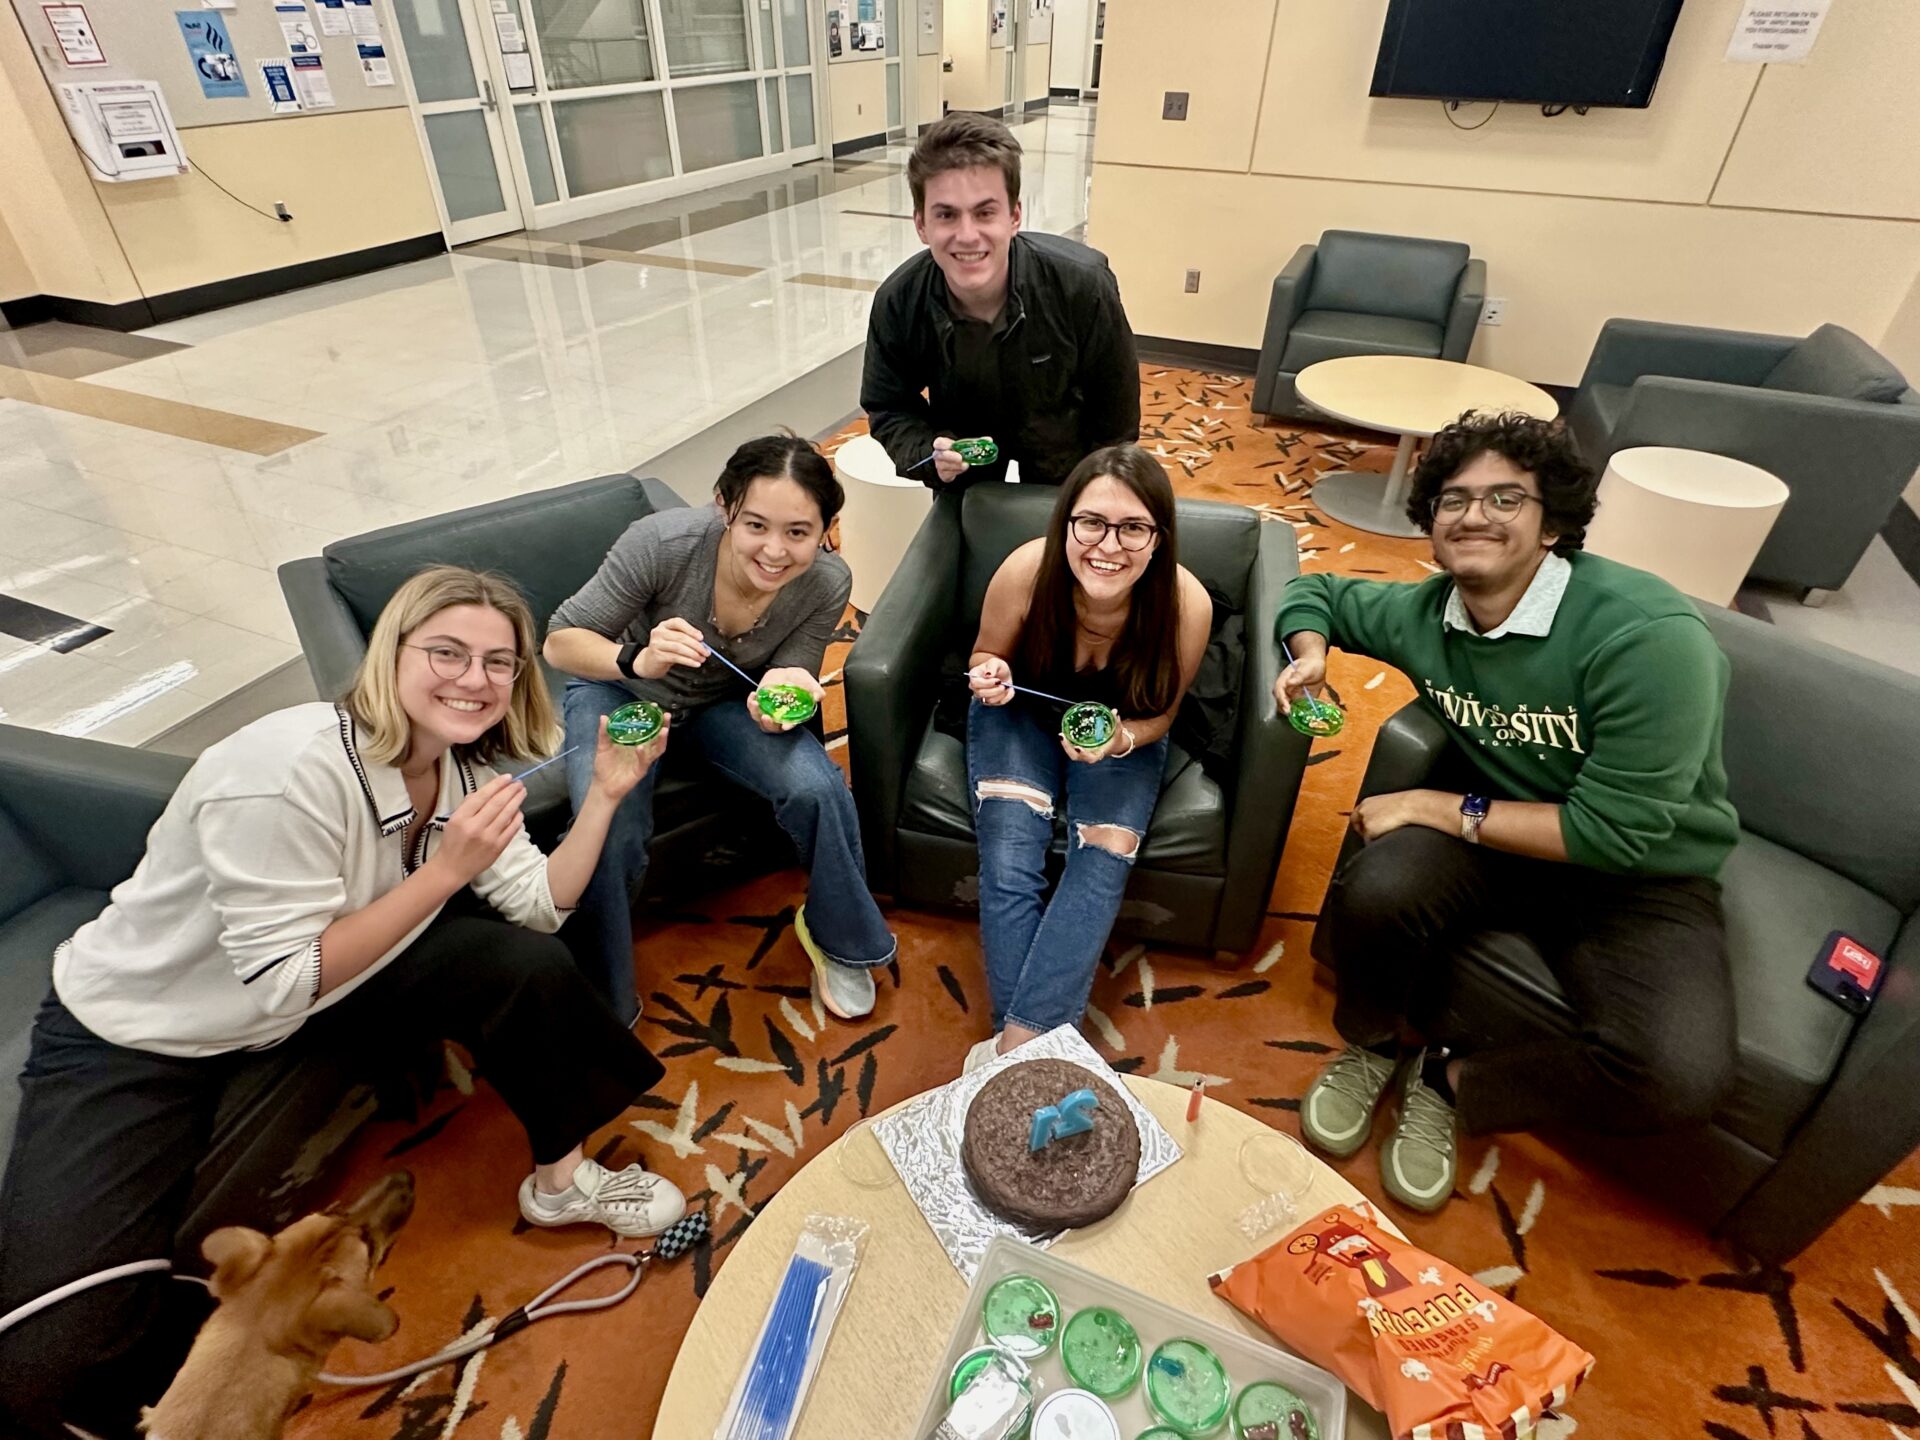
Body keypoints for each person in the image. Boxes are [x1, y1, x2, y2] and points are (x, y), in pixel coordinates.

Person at [0, 566, 682, 1440]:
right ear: (390, 655)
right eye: (447, 652)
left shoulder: (460, 767)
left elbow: (542, 903)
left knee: (525, 965)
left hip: (316, 994)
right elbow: (283, 977)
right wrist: (446, 873)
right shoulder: (285, 772)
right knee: (52, 1364)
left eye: (497, 662)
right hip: (140, 1036)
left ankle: (560, 1183)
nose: (474, 680)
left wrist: (607, 794)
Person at [1274, 412, 1740, 1213]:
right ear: (1430, 524)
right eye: (1453, 500)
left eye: (1505, 499)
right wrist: (1310, 654)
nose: (1473, 516)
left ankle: (1449, 1081)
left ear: (1552, 523)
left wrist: (1428, 803)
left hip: (1639, 875)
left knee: (1678, 1075)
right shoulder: (1429, 613)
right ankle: (1375, 1042)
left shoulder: (1647, 637)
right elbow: (1314, 590)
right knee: (1375, 885)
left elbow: (1611, 833)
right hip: (1500, 840)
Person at [544, 435, 894, 1026]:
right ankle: (604, 985)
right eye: (756, 525)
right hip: (621, 691)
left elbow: (793, 668)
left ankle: (839, 940)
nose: (775, 552)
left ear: (825, 529)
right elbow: (560, 641)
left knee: (818, 787)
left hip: (721, 703)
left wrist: (784, 695)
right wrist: (637, 659)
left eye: (798, 532)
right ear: (725, 506)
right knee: (608, 824)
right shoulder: (662, 545)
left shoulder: (826, 581)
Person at [964, 444, 1211, 1068]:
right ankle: (1035, 1054)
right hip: (1021, 712)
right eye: (1092, 523)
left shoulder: (1187, 604)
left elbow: (1163, 714)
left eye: (1133, 528)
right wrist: (990, 674)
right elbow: (983, 656)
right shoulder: (1026, 570)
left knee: (1104, 855)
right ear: (1066, 522)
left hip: (1124, 729)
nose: (1109, 546)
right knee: (1010, 850)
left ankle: (1014, 1050)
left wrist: (1120, 741)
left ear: (1159, 538)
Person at [861, 110, 1141, 490]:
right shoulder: (899, 302)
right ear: (921, 225)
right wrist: (928, 453)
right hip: (962, 469)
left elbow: (1115, 422)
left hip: (1064, 460)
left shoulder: (1082, 287)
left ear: (1014, 216)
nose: (967, 235)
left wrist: (1089, 496)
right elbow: (888, 405)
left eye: (985, 212)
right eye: (946, 215)